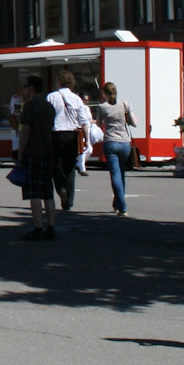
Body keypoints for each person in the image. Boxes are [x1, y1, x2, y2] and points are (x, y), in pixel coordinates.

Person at [15, 77, 60, 240]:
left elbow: (25, 131)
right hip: (47, 151)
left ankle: (38, 227)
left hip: (32, 151)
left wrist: (20, 153)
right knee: (47, 192)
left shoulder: (29, 106)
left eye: (25, 86)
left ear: (31, 88)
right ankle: (51, 227)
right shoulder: (48, 106)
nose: (23, 90)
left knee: (34, 192)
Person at [46, 71, 90, 210]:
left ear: (59, 82)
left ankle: (61, 189)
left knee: (56, 166)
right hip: (72, 134)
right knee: (70, 167)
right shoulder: (77, 99)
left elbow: (47, 118)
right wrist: (87, 140)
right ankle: (69, 200)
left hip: (56, 133)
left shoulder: (51, 97)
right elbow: (84, 121)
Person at [95, 82, 137, 216]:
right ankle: (117, 204)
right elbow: (134, 123)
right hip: (125, 143)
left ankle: (123, 206)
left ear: (105, 94)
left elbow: (98, 124)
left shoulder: (102, 107)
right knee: (121, 173)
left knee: (115, 174)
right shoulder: (125, 104)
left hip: (110, 142)